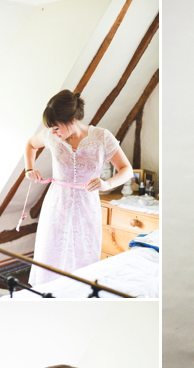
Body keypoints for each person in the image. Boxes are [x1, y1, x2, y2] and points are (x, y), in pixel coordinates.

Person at [24, 89, 133, 286]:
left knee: (82, 259)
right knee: (51, 257)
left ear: (72, 119)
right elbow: (31, 144)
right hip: (56, 205)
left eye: (57, 127)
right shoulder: (51, 136)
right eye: (52, 129)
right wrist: (29, 168)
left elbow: (127, 169)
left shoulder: (102, 137)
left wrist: (107, 183)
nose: (54, 132)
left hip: (87, 207)